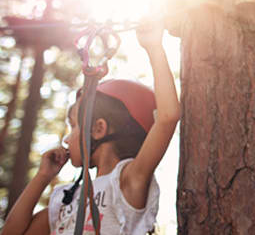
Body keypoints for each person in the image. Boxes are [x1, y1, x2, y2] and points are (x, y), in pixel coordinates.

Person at [2, 21, 180, 235]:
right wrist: (42, 177)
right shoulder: (67, 200)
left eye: (74, 125)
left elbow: (168, 117)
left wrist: (154, 47)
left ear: (98, 129)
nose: (67, 139)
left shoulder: (126, 181)